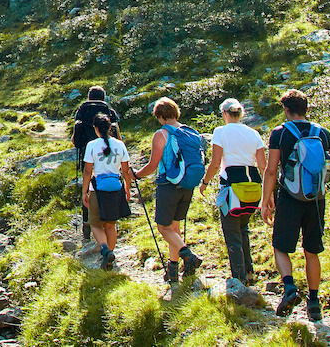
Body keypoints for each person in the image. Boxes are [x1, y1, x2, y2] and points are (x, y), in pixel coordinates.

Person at [260, 89, 330, 323]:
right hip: (317, 198)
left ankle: (289, 287)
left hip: (289, 197)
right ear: (306, 108)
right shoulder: (323, 133)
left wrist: (266, 200)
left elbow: (271, 170)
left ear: (286, 109)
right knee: (312, 250)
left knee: (280, 246)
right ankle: (314, 302)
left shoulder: (280, 133)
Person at [133, 97, 203, 283]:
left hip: (168, 184)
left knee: (164, 228)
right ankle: (173, 271)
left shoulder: (161, 134)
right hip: (187, 184)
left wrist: (137, 175)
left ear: (160, 117)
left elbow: (153, 164)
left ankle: (188, 256)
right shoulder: (189, 132)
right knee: (175, 227)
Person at [199, 98, 267, 285]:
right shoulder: (253, 133)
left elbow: (215, 163)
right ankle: (249, 271)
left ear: (225, 114)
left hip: (231, 189)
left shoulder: (220, 132)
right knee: (243, 229)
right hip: (252, 189)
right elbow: (263, 166)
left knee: (231, 233)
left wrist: (204, 182)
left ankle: (239, 277)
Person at [81, 113, 132, 270]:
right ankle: (110, 255)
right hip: (116, 187)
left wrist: (84, 192)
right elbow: (126, 171)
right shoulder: (120, 145)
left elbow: (88, 172)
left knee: (95, 224)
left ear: (95, 128)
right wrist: (127, 190)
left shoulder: (92, 145)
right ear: (111, 128)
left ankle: (104, 250)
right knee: (111, 225)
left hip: (97, 189)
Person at [71, 86, 120, 240]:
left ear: (89, 97)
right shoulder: (108, 110)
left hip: (87, 154)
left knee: (89, 189)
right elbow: (118, 136)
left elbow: (75, 139)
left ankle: (87, 222)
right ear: (103, 97)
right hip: (108, 158)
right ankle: (108, 221)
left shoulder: (82, 110)